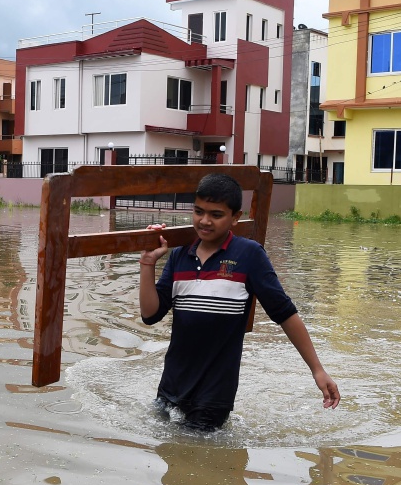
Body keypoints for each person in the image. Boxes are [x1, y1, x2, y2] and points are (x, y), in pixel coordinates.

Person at [138, 173, 340, 431]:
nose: (205, 221)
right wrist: (147, 264)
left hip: (214, 394)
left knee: (199, 462)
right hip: (171, 386)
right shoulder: (180, 256)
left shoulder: (249, 255)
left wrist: (317, 370)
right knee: (166, 458)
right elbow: (150, 314)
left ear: (235, 217)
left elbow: (285, 314)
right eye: (198, 211)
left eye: (216, 214)